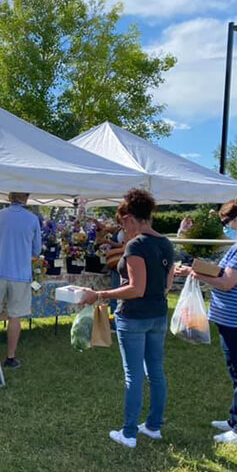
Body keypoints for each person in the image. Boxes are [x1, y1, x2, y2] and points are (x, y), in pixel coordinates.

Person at [175, 197, 237, 446]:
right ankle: (236, 418)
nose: (225, 227)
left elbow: (227, 282)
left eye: (227, 222)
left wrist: (195, 273)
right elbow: (230, 274)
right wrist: (199, 270)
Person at [81, 189, 175, 449]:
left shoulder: (136, 245)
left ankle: (129, 432)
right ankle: (153, 426)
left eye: (123, 222)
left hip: (134, 316)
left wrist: (98, 294)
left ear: (132, 218)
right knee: (155, 371)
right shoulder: (165, 243)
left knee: (133, 375)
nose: (123, 227)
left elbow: (136, 288)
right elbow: (166, 284)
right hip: (158, 314)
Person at [0, 192, 42, 369]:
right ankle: (10, 357)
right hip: (20, 274)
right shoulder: (32, 219)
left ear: (9, 197)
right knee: (15, 316)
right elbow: (36, 251)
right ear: (27, 198)